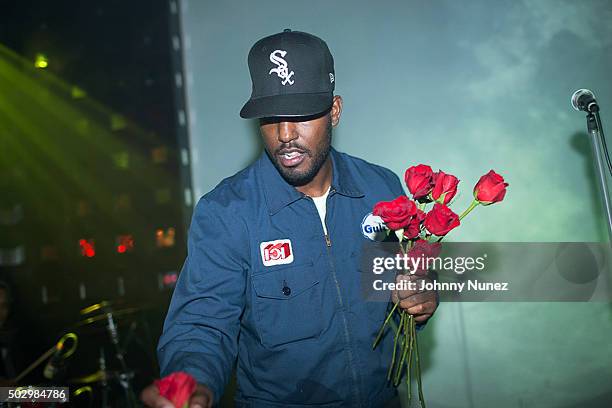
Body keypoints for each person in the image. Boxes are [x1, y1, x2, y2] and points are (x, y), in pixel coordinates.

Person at [142, 29, 437, 408]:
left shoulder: (380, 188)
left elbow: (403, 285)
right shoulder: (227, 212)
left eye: (300, 115)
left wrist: (422, 295)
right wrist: (192, 385)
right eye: (271, 117)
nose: (284, 134)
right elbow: (202, 323)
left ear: (335, 111)